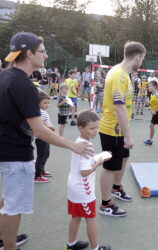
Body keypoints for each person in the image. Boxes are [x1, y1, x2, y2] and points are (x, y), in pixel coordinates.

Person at [0, 32, 92, 250]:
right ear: (29, 53)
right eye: (42, 51)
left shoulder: (5, 76)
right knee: (13, 206)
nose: (46, 55)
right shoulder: (23, 85)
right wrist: (73, 145)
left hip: (5, 150)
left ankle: (4, 238)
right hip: (16, 155)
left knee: (8, 199)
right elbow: (39, 130)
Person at [98, 41, 146, 217]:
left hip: (117, 128)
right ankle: (105, 204)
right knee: (110, 166)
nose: (142, 62)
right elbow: (119, 108)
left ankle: (116, 188)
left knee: (124, 158)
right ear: (138, 57)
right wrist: (127, 136)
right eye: (143, 58)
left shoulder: (124, 74)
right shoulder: (118, 75)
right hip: (113, 129)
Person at [65, 110, 111, 250]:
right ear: (81, 127)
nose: (95, 131)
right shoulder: (87, 145)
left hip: (74, 186)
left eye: (97, 127)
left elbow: (85, 162)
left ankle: (71, 244)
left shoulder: (79, 142)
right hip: (83, 189)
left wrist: (97, 157)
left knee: (76, 216)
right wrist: (99, 161)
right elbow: (85, 171)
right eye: (92, 128)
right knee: (90, 219)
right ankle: (95, 248)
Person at [34, 92, 55, 183]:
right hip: (41, 138)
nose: (47, 105)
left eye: (48, 103)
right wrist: (51, 127)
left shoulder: (43, 111)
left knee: (46, 154)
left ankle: (41, 170)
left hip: (46, 137)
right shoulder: (39, 112)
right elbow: (40, 125)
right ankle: (37, 176)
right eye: (45, 103)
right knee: (42, 156)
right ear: (38, 103)